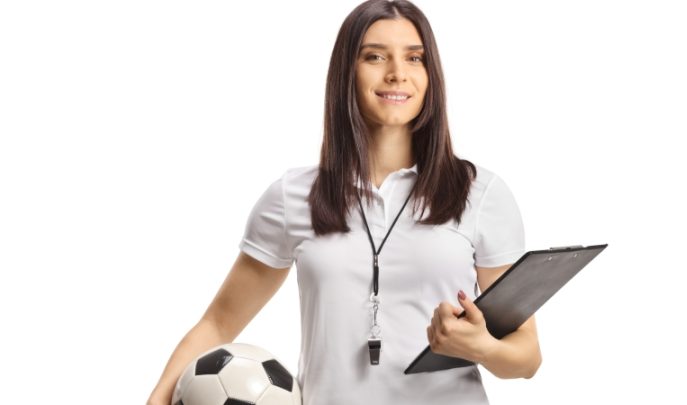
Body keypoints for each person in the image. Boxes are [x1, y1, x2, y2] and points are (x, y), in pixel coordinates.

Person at [146, 1, 542, 404]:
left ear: (430, 74)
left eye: (414, 57)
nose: (397, 73)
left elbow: (526, 357)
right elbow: (218, 323)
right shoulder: (292, 196)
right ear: (346, 71)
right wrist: (158, 397)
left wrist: (481, 347)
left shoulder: (480, 193)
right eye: (374, 56)